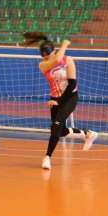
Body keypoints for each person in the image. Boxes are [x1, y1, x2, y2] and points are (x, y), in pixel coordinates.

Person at [23, 32, 98, 170]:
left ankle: (47, 157)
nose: (46, 57)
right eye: (43, 55)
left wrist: (59, 101)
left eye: (48, 54)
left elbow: (72, 85)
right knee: (60, 131)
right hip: (55, 98)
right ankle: (87, 134)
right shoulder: (43, 65)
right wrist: (64, 44)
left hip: (70, 97)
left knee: (56, 126)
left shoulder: (68, 60)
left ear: (54, 51)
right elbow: (56, 61)